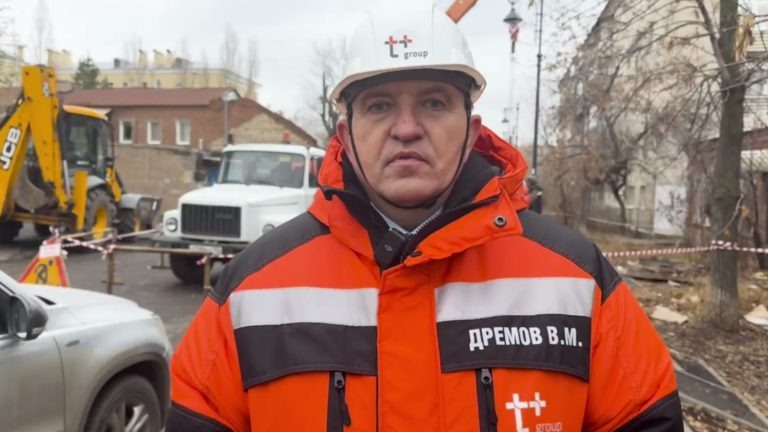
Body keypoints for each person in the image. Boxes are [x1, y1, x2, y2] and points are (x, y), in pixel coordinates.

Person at [167, 2, 683, 431]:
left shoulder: (576, 280)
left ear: (471, 130)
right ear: (345, 135)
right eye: (379, 106)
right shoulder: (251, 292)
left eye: (434, 103)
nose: (407, 128)